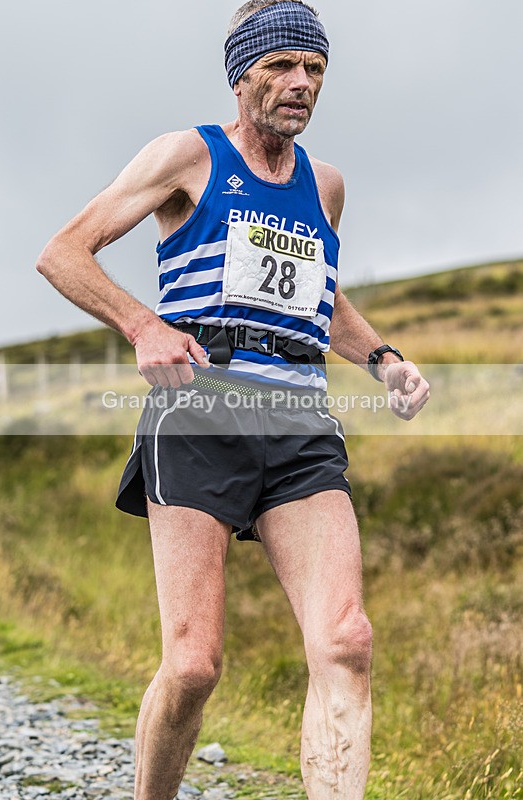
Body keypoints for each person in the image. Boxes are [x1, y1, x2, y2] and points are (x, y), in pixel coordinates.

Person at [36, 1, 430, 798]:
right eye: (282, 66)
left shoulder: (325, 184)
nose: (301, 83)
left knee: (347, 640)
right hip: (198, 415)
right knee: (191, 664)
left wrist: (382, 357)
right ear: (241, 73)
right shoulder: (188, 156)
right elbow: (62, 252)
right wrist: (144, 325)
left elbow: (322, 296)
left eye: (314, 69)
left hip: (298, 423)